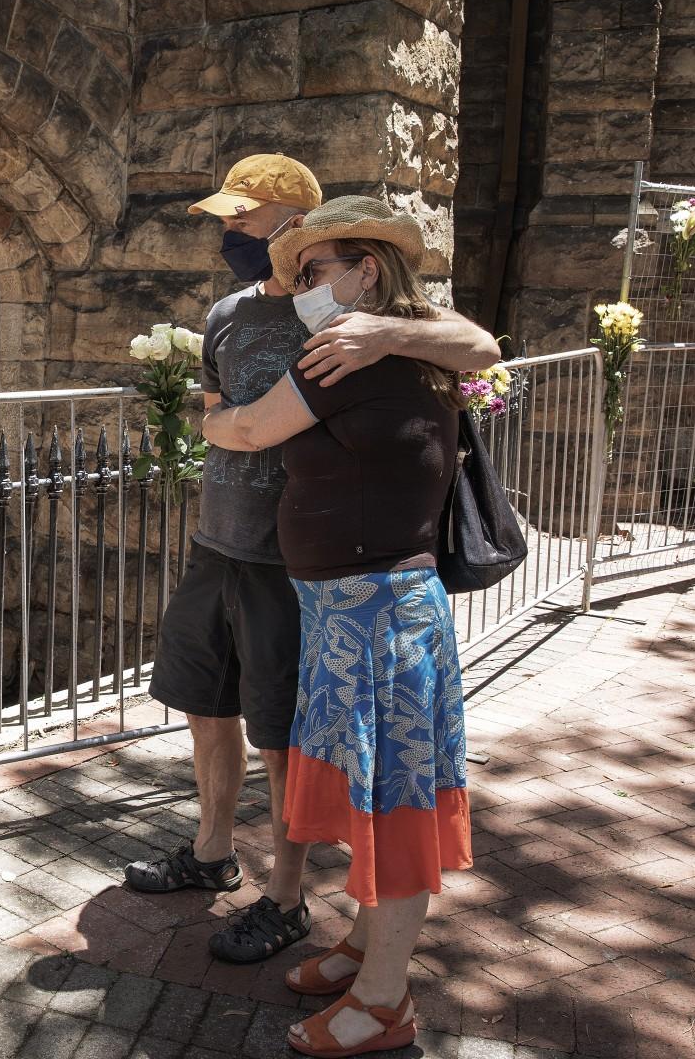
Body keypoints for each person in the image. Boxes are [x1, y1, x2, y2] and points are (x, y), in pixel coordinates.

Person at [123, 155, 497, 970]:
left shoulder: (353, 325)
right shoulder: (228, 314)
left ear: (298, 224)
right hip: (221, 548)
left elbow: (477, 344)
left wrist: (387, 331)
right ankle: (213, 848)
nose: (229, 233)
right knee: (205, 704)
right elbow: (223, 409)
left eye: (243, 218)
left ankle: (288, 896)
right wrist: (218, 423)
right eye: (225, 218)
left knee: (289, 737)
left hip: (305, 572)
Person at [203, 196, 474, 1058]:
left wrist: (203, 415)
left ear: (367, 269)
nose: (305, 289)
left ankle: (387, 1001)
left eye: (317, 271)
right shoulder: (388, 347)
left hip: (379, 615)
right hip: (350, 613)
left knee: (394, 805)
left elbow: (249, 428)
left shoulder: (363, 353)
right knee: (375, 795)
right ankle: (363, 948)